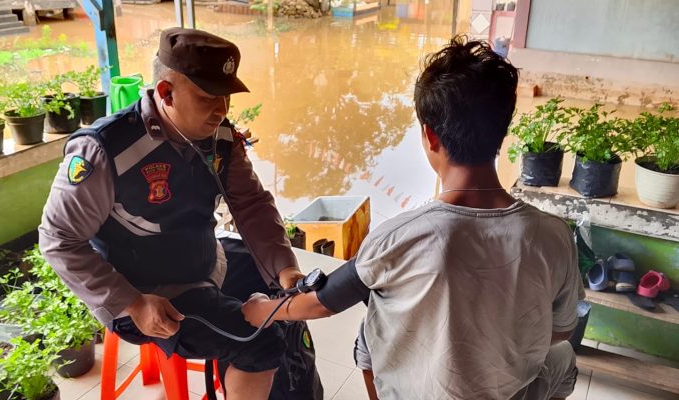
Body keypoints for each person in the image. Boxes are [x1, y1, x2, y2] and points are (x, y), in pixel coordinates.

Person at [241, 36, 584, 400]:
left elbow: (320, 303)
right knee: (563, 357)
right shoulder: (554, 235)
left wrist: (260, 310)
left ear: (429, 135)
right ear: (503, 132)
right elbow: (562, 330)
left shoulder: (399, 236)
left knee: (370, 330)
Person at [38, 27, 306, 400]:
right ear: (166, 92)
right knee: (260, 345)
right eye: (207, 98)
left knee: (290, 300)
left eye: (226, 97)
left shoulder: (220, 137)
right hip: (150, 293)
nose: (222, 110)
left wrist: (285, 268)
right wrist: (132, 303)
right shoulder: (105, 150)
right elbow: (58, 240)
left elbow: (251, 203)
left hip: (204, 263)